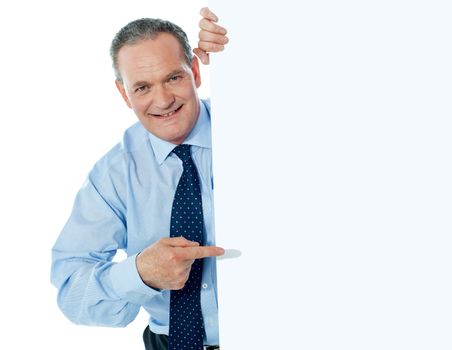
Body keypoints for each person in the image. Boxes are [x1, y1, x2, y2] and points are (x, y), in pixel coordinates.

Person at [51, 7, 228, 350]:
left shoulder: (257, 128)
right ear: (124, 94)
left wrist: (249, 44)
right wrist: (140, 274)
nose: (162, 101)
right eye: (143, 87)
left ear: (194, 70)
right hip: (170, 343)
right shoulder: (114, 175)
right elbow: (72, 291)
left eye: (173, 78)